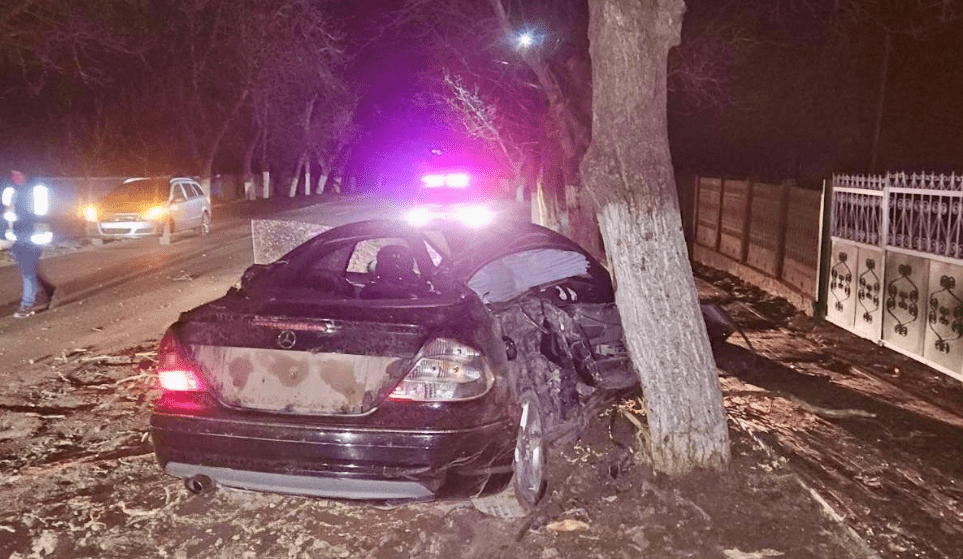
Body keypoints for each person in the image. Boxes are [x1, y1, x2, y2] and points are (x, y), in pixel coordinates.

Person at [2, 169, 55, 318]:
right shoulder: (10, 191)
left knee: (27, 271)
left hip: (32, 237)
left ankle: (27, 305)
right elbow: (5, 214)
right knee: (29, 270)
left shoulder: (37, 190)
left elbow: (43, 215)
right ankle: (49, 290)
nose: (16, 176)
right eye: (13, 174)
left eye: (19, 173)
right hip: (17, 237)